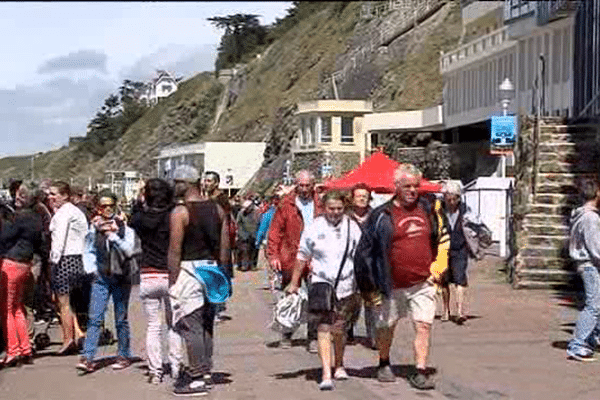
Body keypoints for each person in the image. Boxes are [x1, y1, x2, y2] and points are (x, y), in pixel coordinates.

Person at [354, 164, 449, 390]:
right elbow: (363, 254)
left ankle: (420, 370)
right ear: (395, 187)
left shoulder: (430, 208)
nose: (412, 190)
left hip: (423, 282)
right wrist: (369, 288)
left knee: (424, 326)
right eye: (407, 186)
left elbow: (444, 239)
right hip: (391, 284)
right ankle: (384, 362)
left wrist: (437, 270)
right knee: (386, 327)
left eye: (416, 186)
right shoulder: (380, 215)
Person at [287, 191, 362, 390]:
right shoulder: (314, 227)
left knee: (339, 329)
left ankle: (339, 363)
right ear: (324, 208)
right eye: (331, 209)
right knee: (323, 327)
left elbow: (361, 255)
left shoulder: (352, 227)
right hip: (321, 284)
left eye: (339, 209)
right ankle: (326, 372)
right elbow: (302, 255)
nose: (335, 212)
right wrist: (294, 282)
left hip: (347, 285)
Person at [167, 166, 231, 396]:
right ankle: (205, 371)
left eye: (176, 182)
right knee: (206, 324)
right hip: (212, 269)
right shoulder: (218, 210)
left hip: (189, 270)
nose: (174, 186)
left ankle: (195, 379)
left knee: (191, 324)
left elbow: (174, 250)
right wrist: (223, 276)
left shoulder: (180, 213)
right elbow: (225, 247)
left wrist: (172, 281)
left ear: (185, 183)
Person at [76, 190, 137, 373]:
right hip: (101, 278)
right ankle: (88, 357)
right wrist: (91, 269)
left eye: (111, 205)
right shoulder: (94, 228)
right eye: (103, 206)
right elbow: (88, 249)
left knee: (121, 318)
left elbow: (129, 251)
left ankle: (124, 354)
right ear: (98, 208)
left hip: (121, 278)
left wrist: (114, 236)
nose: (108, 209)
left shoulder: (125, 228)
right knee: (94, 318)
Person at [130, 178, 184, 384]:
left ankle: (155, 371)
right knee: (174, 324)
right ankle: (177, 367)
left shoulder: (140, 218)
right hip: (170, 274)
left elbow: (131, 218)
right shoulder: (173, 215)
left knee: (153, 325)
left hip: (148, 273)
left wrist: (138, 199)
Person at [267, 170, 323, 352]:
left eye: (308, 185)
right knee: (290, 296)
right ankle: (287, 332)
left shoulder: (321, 204)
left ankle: (313, 336)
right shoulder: (286, 204)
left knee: (316, 298)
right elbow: (275, 232)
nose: (305, 189)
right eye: (301, 185)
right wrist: (273, 256)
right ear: (296, 185)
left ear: (313, 185)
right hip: (291, 257)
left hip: (315, 257)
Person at [0, 184, 44, 367]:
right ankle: (25, 348)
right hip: (26, 263)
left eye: (19, 195)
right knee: (18, 308)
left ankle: (13, 350)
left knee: (6, 310)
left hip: (12, 262)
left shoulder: (19, 217)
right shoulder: (36, 217)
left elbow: (4, 237)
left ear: (24, 198)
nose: (15, 198)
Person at [48, 181, 88, 356]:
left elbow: (59, 239)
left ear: (64, 195)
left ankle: (68, 339)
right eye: (49, 194)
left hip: (65, 259)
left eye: (54, 194)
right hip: (78, 258)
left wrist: (54, 261)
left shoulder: (64, 213)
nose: (50, 197)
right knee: (70, 302)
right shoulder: (74, 211)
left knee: (63, 302)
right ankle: (76, 335)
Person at [440, 181, 485, 325]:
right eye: (448, 198)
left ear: (459, 198)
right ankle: (446, 310)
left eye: (454, 198)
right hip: (443, 249)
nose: (451, 202)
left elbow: (477, 225)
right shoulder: (439, 210)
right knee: (444, 281)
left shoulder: (466, 210)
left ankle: (460, 311)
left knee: (460, 279)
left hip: (460, 249)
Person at [566, 178, 600, 361]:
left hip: (586, 264)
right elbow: (596, 247)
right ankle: (578, 344)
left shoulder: (581, 215)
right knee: (593, 306)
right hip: (590, 265)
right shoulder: (590, 217)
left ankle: (593, 337)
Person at [346, 184, 375, 347]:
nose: (362, 198)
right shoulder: (345, 217)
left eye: (365, 196)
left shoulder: (375, 215)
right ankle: (348, 331)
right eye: (359, 196)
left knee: (371, 302)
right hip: (350, 265)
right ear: (353, 198)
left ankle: (373, 336)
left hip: (370, 264)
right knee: (352, 301)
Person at [255, 195, 280, 288]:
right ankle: (280, 277)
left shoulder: (268, 214)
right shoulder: (284, 213)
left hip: (268, 241)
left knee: (270, 262)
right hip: (281, 241)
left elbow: (262, 228)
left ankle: (272, 280)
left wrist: (258, 241)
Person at [236, 199, 259, 272]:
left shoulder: (255, 213)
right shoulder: (241, 213)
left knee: (253, 251)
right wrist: (241, 233)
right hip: (244, 235)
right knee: (244, 250)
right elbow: (238, 223)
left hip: (253, 234)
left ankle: (252, 265)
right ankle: (244, 265)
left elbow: (258, 222)